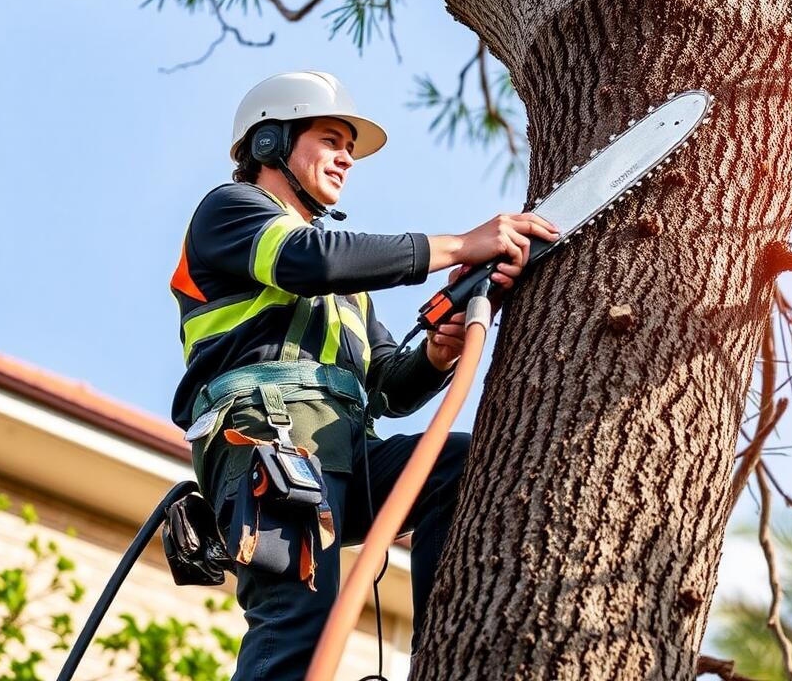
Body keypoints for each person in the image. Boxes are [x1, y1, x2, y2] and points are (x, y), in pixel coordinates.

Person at [169, 70, 557, 680]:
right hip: (269, 445)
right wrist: (460, 244)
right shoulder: (231, 210)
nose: (347, 157)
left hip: (343, 456)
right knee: (302, 619)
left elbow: (388, 388)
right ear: (270, 143)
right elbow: (309, 259)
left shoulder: (349, 293)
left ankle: (445, 661)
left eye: (349, 147)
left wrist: (438, 350)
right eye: (330, 139)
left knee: (456, 467)